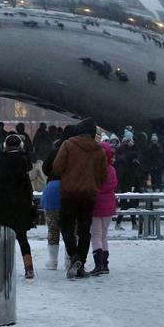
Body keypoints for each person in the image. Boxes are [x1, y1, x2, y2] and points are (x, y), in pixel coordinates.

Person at [53, 117, 107, 279]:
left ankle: (74, 256)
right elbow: (103, 176)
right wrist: (92, 183)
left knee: (67, 227)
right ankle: (81, 264)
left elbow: (57, 168)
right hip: (89, 195)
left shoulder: (68, 145)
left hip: (69, 194)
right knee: (85, 231)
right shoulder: (99, 150)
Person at [0, 134, 37, 279]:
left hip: (3, 203)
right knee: (22, 237)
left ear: (5, 145)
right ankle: (29, 268)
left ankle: (3, 268)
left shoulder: (1, 160)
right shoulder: (24, 160)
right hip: (20, 203)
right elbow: (28, 185)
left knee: (3, 238)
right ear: (20, 145)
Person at [41, 125, 75, 270]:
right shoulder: (76, 151)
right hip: (72, 190)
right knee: (71, 228)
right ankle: (69, 259)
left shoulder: (55, 149)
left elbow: (45, 168)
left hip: (52, 189)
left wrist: (54, 173)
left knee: (53, 228)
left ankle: (53, 261)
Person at [89, 140, 118, 276]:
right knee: (104, 235)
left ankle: (98, 264)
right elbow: (113, 185)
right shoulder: (112, 169)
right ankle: (105, 264)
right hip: (109, 205)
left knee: (96, 235)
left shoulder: (94, 169)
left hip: (96, 204)